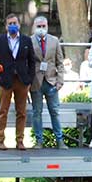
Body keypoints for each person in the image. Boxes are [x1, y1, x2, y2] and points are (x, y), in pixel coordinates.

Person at [0, 13, 36, 151]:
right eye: (10, 24)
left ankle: (20, 140)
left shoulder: (26, 40)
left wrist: (30, 79)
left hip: (22, 80)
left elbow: (32, 61)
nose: (12, 26)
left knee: (22, 112)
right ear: (6, 26)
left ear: (19, 25)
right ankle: (0, 140)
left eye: (15, 23)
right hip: (5, 80)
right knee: (3, 111)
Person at [29, 15, 66, 149]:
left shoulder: (54, 41)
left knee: (55, 111)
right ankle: (39, 140)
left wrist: (60, 81)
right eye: (39, 26)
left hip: (51, 81)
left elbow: (60, 62)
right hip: (36, 82)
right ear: (34, 27)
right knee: (36, 112)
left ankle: (60, 140)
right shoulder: (29, 41)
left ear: (47, 26)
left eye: (44, 26)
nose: (41, 29)